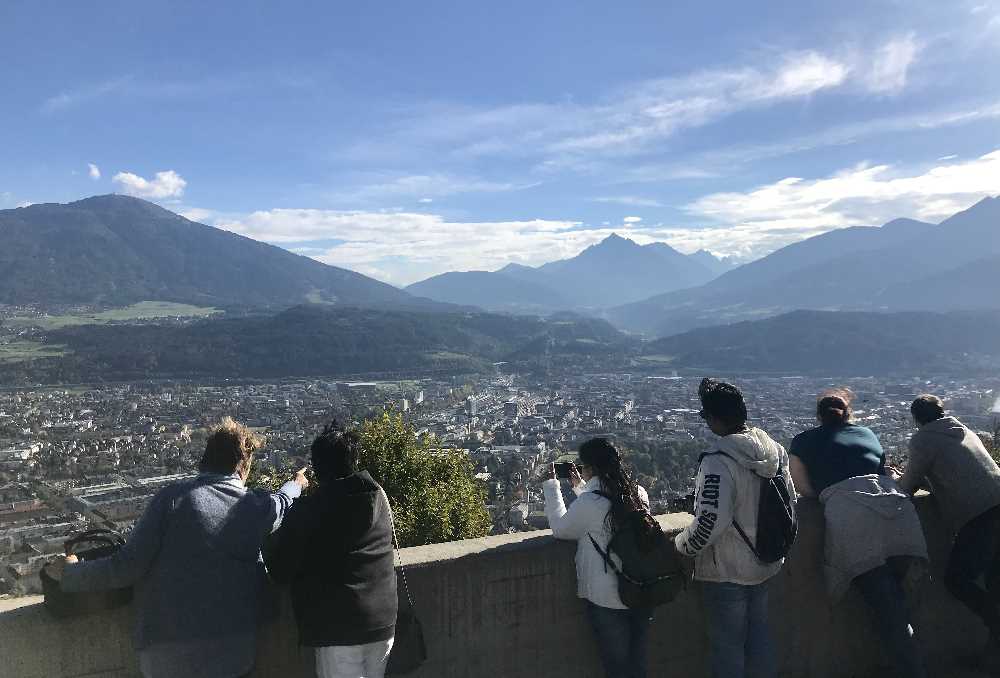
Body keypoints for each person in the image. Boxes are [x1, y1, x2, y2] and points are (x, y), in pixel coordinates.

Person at [44, 417, 307, 678]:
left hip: (168, 657)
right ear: (243, 467)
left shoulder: (172, 499)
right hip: (233, 655)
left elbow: (127, 566)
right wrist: (297, 484)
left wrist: (70, 573)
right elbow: (281, 502)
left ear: (205, 460)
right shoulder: (254, 506)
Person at [790, 390, 927, 678]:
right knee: (896, 607)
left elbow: (805, 490)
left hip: (858, 527)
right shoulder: (868, 434)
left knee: (889, 611)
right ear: (848, 413)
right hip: (900, 516)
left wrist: (832, 490)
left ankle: (912, 671)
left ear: (819, 415)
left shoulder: (802, 442)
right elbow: (881, 473)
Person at [674, 378, 791, 678]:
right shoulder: (775, 451)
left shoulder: (718, 461)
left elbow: (711, 521)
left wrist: (683, 545)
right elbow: (789, 502)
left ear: (713, 419)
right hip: (766, 559)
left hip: (727, 569)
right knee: (760, 639)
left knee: (727, 647)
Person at [265, 423, 397, 678]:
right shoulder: (378, 496)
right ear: (354, 460)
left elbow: (280, 570)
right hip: (382, 621)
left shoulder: (309, 511)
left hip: (338, 625)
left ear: (318, 468)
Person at [898, 394, 1000, 656]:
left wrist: (897, 477)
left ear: (916, 419)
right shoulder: (964, 430)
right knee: (993, 579)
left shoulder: (923, 440)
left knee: (956, 579)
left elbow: (906, 489)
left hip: (978, 515)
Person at [542, 437, 653, 678]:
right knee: (639, 662)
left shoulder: (589, 503)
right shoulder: (638, 493)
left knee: (617, 667)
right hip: (641, 589)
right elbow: (606, 506)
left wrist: (552, 486)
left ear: (590, 467)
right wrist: (580, 485)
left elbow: (562, 529)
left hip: (607, 597)